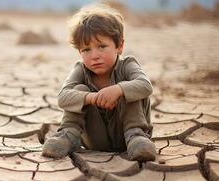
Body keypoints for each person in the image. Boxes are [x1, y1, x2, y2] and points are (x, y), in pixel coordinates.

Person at [42, 4, 157, 162]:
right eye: (86, 50)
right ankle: (68, 136)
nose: (94, 56)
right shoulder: (81, 69)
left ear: (119, 46)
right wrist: (92, 97)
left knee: (129, 86)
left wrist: (118, 89)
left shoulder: (128, 64)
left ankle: (136, 136)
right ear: (79, 52)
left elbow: (145, 85)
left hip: (129, 138)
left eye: (102, 46)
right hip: (95, 141)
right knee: (79, 89)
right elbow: (63, 97)